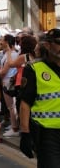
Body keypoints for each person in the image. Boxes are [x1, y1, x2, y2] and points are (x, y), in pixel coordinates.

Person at [19, 29, 60, 166]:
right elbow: (25, 103)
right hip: (47, 134)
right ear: (47, 45)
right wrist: (25, 133)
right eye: (59, 43)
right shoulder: (34, 69)